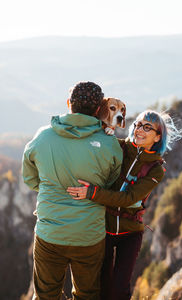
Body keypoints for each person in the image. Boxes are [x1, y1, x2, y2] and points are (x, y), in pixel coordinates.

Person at [67, 109, 182, 300]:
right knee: (102, 285)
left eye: (147, 127)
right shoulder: (118, 147)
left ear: (157, 137)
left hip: (130, 231)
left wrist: (92, 193)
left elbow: (128, 198)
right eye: (138, 124)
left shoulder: (156, 169)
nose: (139, 130)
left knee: (119, 291)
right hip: (103, 225)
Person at [22, 81, 123, 300]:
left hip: (50, 233)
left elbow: (29, 177)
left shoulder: (43, 137)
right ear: (99, 110)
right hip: (89, 235)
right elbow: (111, 183)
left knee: (46, 296)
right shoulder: (109, 144)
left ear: (68, 103)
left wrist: (52, 189)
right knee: (87, 295)